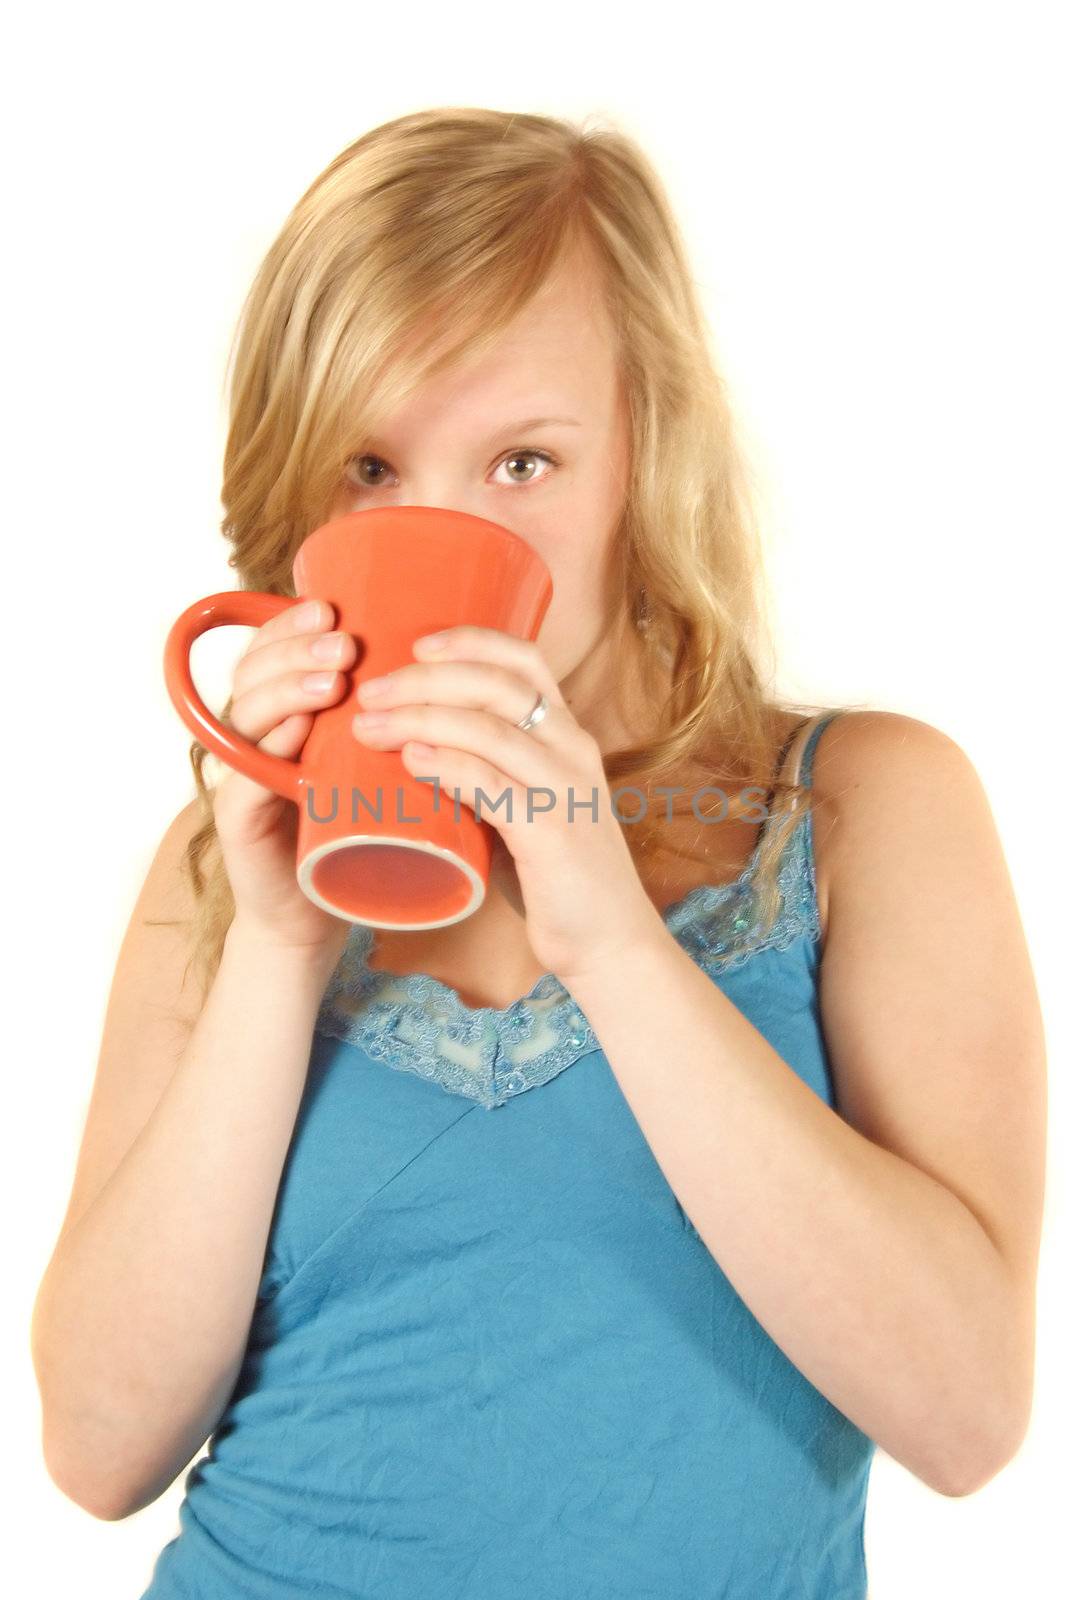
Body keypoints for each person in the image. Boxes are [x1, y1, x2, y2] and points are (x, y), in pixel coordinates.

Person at [30, 108, 1045, 1599]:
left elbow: (967, 1414)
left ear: (646, 453)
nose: (440, 526)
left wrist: (614, 939)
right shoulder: (222, 869)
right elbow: (98, 1449)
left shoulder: (863, 809)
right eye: (369, 468)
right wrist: (277, 948)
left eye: (523, 461)